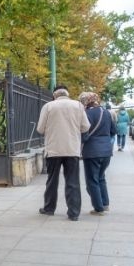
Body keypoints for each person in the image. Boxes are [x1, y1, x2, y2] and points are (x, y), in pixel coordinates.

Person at [36, 85, 90, 221]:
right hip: (72, 149)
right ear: (67, 94)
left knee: (52, 180)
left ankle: (49, 208)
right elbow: (85, 127)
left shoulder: (48, 106)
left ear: (55, 95)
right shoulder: (78, 105)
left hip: (53, 149)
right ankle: (74, 212)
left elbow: (40, 129)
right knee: (73, 181)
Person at [79, 92, 116, 215]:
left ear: (86, 101)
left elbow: (84, 133)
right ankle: (105, 204)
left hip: (92, 151)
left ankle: (98, 208)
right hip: (106, 151)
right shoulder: (107, 113)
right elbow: (113, 131)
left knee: (92, 180)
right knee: (101, 177)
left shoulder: (86, 114)